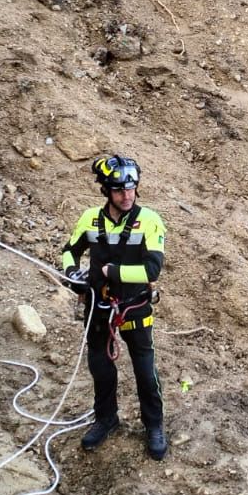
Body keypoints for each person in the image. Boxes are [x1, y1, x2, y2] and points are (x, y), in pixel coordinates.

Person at [60, 156, 168, 459]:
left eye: (131, 188)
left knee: (145, 370)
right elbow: (69, 252)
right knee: (100, 366)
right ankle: (106, 418)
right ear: (107, 191)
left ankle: (154, 425)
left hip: (134, 306)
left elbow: (152, 270)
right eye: (119, 190)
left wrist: (112, 272)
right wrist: (72, 274)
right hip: (98, 306)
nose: (127, 195)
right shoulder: (90, 219)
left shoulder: (150, 221)